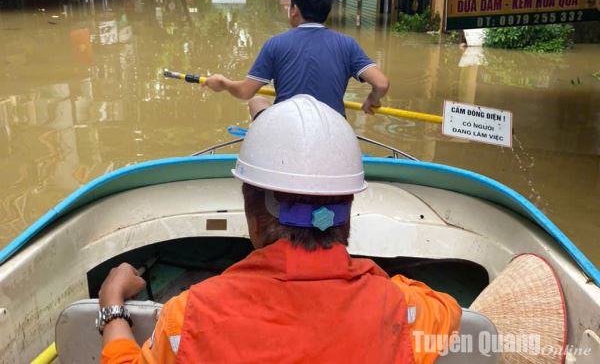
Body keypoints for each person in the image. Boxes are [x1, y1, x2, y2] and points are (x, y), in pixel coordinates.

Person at [99, 95, 461, 364]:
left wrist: (112, 304)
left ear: (253, 218)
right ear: (347, 213)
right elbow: (449, 310)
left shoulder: (188, 316)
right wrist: (381, 284)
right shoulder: (402, 308)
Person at [201, 0, 389, 118]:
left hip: (287, 129)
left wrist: (223, 82)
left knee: (256, 101)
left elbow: (245, 92)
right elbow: (381, 84)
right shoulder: (348, 44)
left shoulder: (275, 44)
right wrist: (373, 99)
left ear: (295, 10)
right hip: (334, 128)